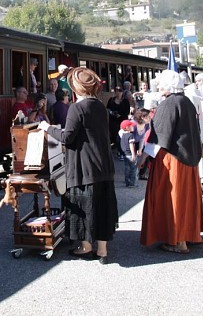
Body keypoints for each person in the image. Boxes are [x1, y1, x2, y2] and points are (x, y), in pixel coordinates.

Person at [38, 67, 118, 265]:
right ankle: (102, 249)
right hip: (104, 165)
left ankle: (86, 246)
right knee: (102, 206)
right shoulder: (99, 106)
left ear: (76, 88)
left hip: (84, 166)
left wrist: (47, 128)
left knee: (85, 206)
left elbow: (67, 137)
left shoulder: (77, 108)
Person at [140, 69, 203, 254]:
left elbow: (159, 134)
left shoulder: (168, 104)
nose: (159, 86)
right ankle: (188, 234)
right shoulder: (187, 102)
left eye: (161, 83)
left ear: (168, 86)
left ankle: (178, 240)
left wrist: (144, 157)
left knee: (172, 197)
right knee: (187, 197)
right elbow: (195, 130)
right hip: (188, 158)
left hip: (172, 160)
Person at [106, 86, 130, 157]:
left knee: (122, 135)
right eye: (116, 90)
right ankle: (116, 147)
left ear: (122, 92)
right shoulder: (111, 100)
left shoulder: (125, 101)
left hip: (122, 120)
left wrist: (120, 114)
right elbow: (107, 108)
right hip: (113, 120)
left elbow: (127, 111)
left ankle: (121, 150)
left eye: (120, 90)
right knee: (115, 134)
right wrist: (111, 112)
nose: (118, 92)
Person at [120, 120, 138, 188]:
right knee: (133, 169)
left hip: (125, 154)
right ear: (127, 127)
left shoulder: (123, 135)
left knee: (127, 168)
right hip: (130, 154)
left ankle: (127, 182)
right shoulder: (131, 135)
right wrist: (133, 154)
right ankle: (132, 183)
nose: (133, 126)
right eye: (131, 125)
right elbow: (131, 145)